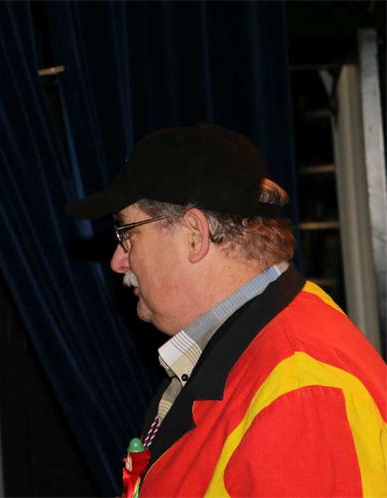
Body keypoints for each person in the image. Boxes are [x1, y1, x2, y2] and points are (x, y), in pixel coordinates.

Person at [67, 123, 387, 497]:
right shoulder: (247, 349)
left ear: (194, 235)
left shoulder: (300, 392)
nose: (117, 261)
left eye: (127, 234)